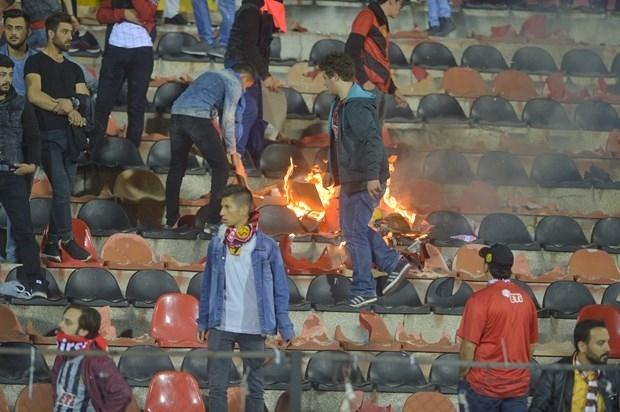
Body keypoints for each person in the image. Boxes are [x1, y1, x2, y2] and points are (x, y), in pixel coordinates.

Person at [319, 53, 411, 308]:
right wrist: (333, 172)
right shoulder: (340, 104)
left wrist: (372, 177)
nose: (324, 84)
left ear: (335, 76)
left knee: (355, 233)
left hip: (365, 178)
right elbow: (340, 141)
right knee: (352, 230)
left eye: (325, 78)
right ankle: (393, 263)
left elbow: (372, 143)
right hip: (351, 178)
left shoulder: (358, 106)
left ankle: (365, 288)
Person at [197, 184, 294, 412]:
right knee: (217, 388)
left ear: (243, 210)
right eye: (221, 206)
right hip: (221, 324)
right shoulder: (216, 244)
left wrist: (285, 326)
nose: (221, 212)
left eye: (226, 206)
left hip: (254, 327)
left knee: (255, 389)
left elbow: (280, 288)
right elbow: (208, 284)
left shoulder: (267, 246)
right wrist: (203, 320)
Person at [25, 12, 91, 263]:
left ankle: (50, 244)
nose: (69, 36)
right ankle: (65, 238)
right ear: (50, 33)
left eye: (71, 33)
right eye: (64, 32)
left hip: (72, 137)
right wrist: (62, 107)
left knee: (64, 192)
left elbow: (84, 100)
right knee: (62, 188)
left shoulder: (74, 68)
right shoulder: (36, 63)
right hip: (47, 134)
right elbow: (34, 95)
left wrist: (73, 105)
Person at [165, 65, 255, 233]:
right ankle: (213, 221)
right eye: (246, 88)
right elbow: (228, 119)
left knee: (176, 167)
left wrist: (223, 147)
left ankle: (171, 220)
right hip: (196, 118)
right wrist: (233, 153)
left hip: (177, 115)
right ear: (244, 80)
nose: (243, 91)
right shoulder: (235, 83)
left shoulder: (211, 74)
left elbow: (213, 118)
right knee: (221, 167)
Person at [457, 243, 539, 412]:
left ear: (486, 266)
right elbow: (530, 347)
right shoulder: (526, 299)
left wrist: (462, 376)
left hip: (483, 388)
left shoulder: (478, 300)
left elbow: (467, 349)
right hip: (517, 387)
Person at [0, 54, 47, 297]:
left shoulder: (21, 104)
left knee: (24, 230)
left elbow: (33, 137)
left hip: (12, 174)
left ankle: (36, 281)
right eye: (1, 74)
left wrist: (32, 164)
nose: (6, 79)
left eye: (9, 74)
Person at [224, 0, 284, 166]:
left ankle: (254, 157)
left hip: (252, 69)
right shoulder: (250, 12)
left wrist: (264, 74)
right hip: (240, 68)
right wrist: (266, 76)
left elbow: (261, 49)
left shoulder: (260, 13)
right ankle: (236, 157)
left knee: (257, 117)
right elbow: (250, 48)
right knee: (247, 111)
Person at [0, 8, 38, 264]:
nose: (14, 33)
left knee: (20, 216)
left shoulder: (37, 60)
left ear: (28, 31)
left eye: (19, 28)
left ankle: (15, 262)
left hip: (23, 144)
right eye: (9, 27)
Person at [94, 0, 157, 148]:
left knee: (136, 105)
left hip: (142, 50)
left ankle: (132, 153)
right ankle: (94, 149)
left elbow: (147, 13)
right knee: (103, 103)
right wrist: (123, 14)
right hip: (115, 49)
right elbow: (101, 15)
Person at [53, 304, 132, 411]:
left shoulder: (98, 360)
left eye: (68, 322)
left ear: (83, 331)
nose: (60, 325)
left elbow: (122, 393)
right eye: (62, 320)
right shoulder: (62, 354)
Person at [530, 319, 620, 412]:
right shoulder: (553, 374)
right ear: (582, 346)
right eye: (601, 343)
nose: (608, 348)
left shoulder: (613, 375)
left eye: (607, 342)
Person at [344, 0, 406, 126]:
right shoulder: (367, 16)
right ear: (391, 2)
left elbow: (380, 61)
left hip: (377, 88)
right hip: (367, 87)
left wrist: (393, 89)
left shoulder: (380, 20)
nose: (401, 8)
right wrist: (364, 81)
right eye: (400, 4)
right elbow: (350, 50)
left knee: (373, 139)